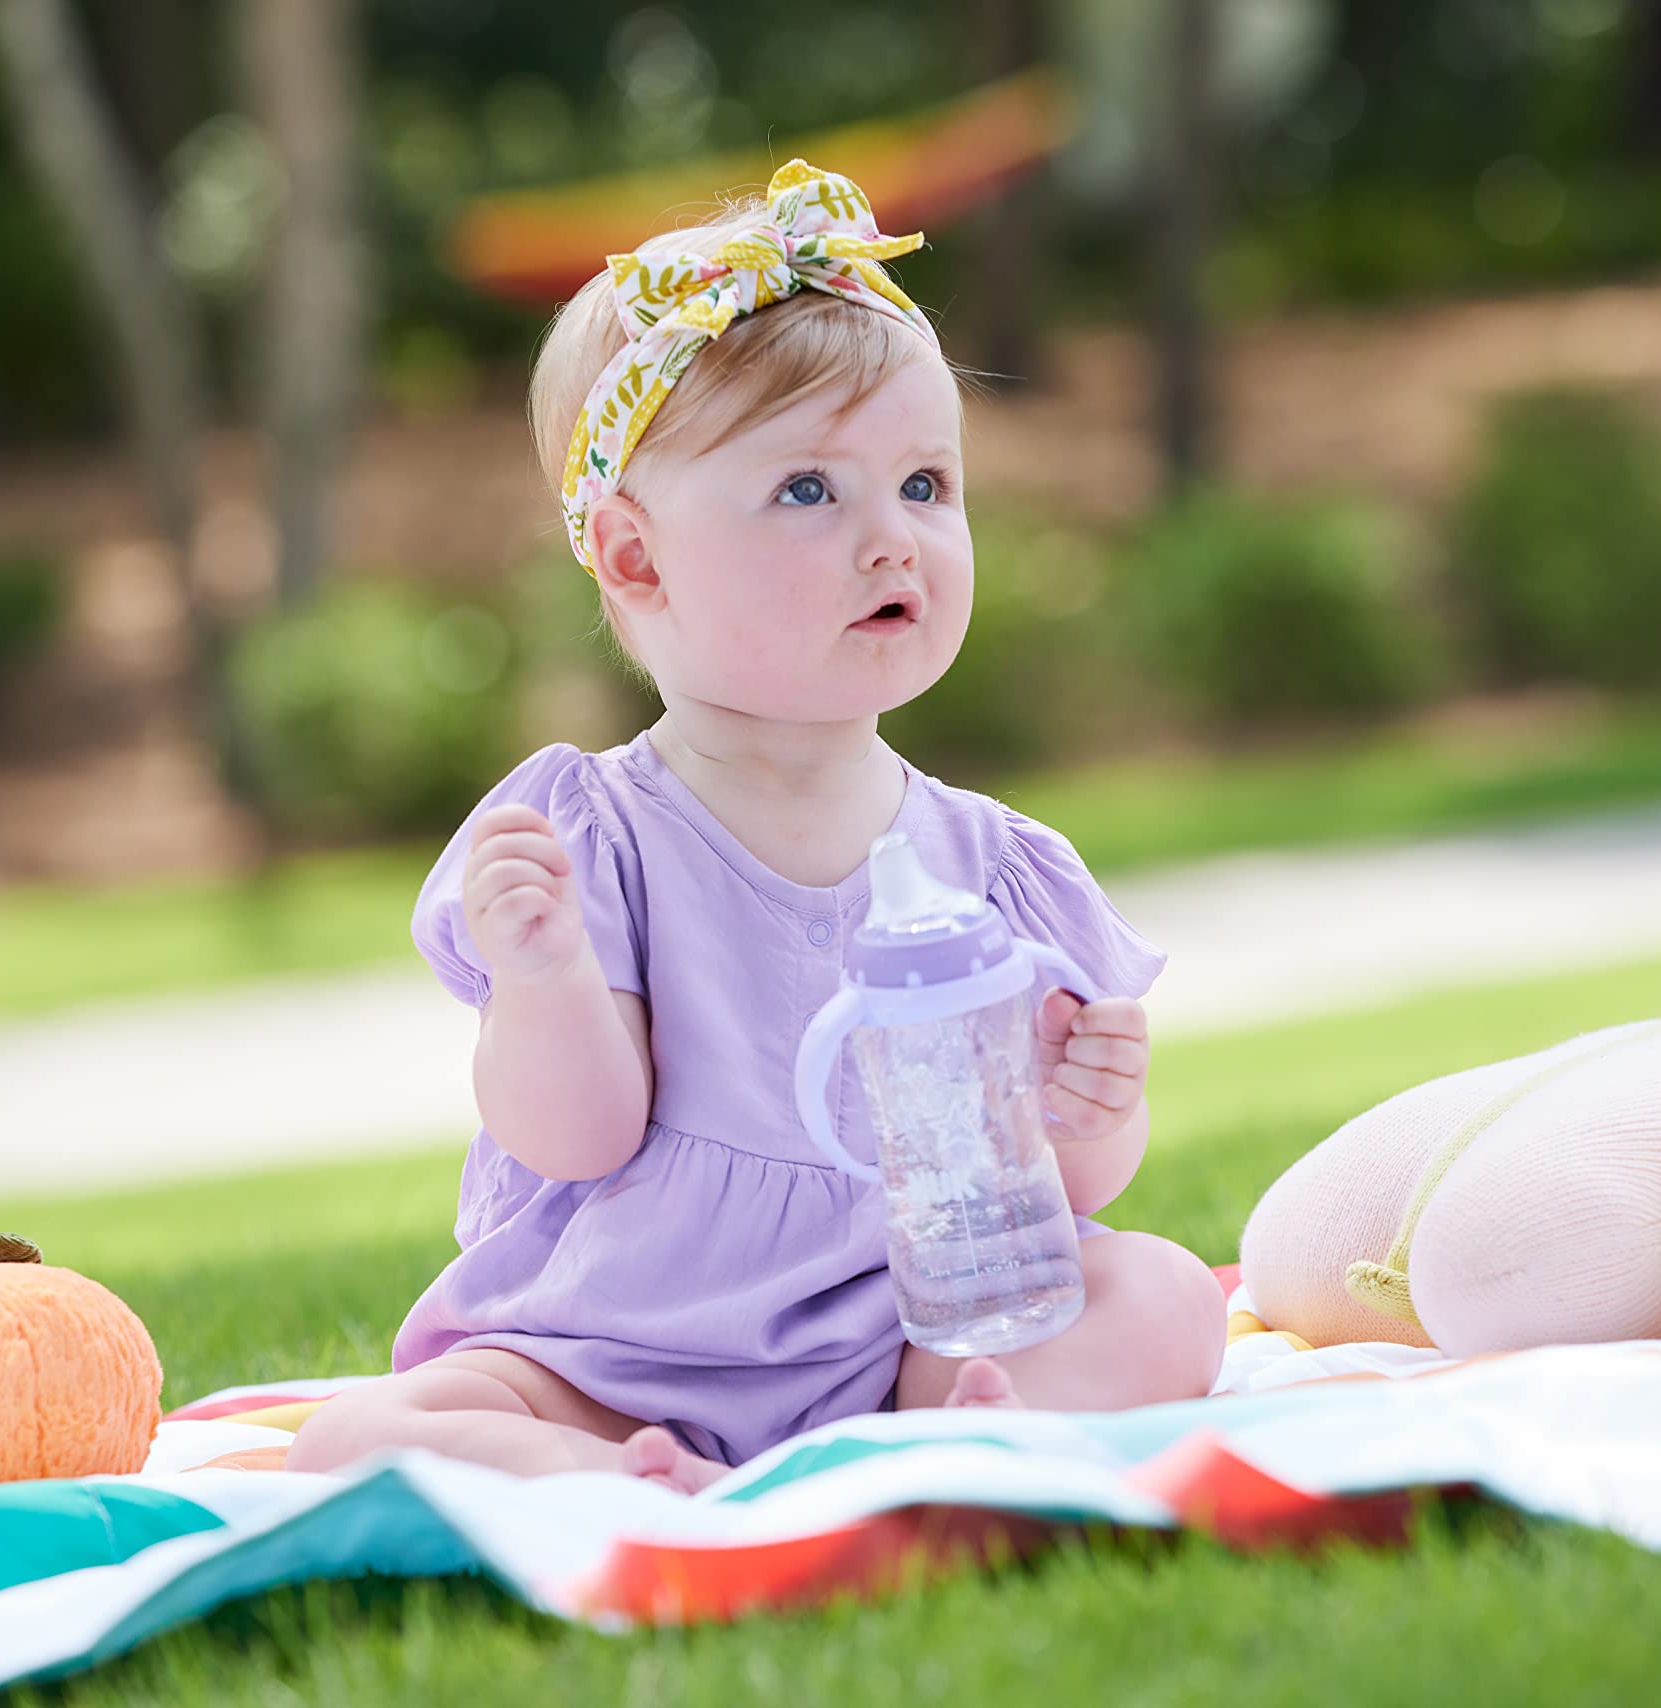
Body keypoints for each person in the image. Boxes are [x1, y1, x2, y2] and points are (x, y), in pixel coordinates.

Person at [287, 162, 1226, 1493]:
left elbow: (1055, 1193)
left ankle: (921, 1436)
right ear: (635, 559)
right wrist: (544, 976)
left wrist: (1087, 1106)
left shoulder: (996, 863)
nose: (894, 538)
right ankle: (607, 1471)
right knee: (356, 1437)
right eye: (808, 492)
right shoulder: (588, 836)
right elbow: (576, 1139)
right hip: (609, 1350)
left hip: (908, 1327)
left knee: (1165, 1296)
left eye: (925, 484)